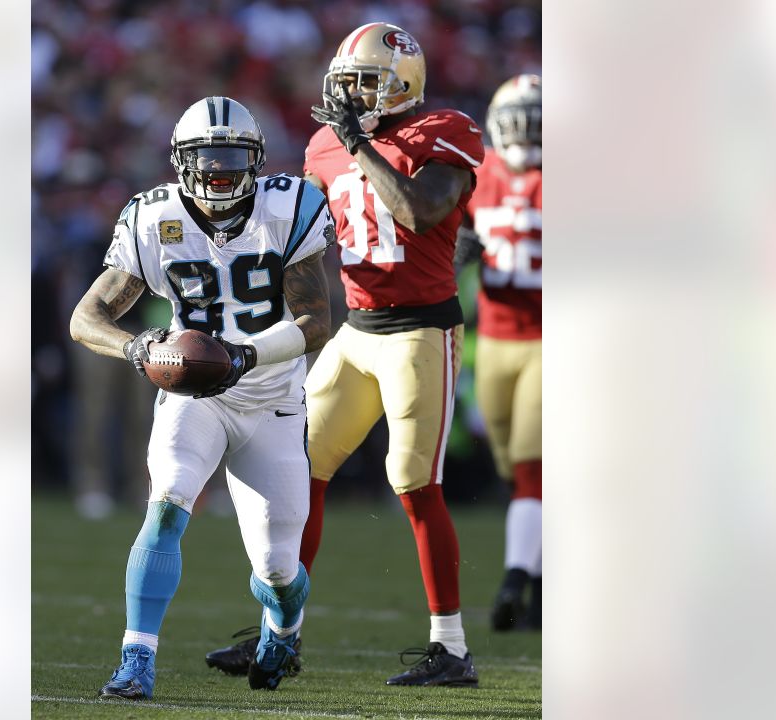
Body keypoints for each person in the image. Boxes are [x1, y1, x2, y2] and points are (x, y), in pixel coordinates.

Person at [205, 22, 484, 687]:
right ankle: (280, 633)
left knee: (414, 482)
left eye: (368, 82)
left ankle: (451, 647)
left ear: (404, 83)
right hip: (357, 333)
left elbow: (419, 212)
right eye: (347, 82)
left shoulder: (444, 129)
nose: (352, 95)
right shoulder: (324, 145)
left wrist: (360, 143)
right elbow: (298, 233)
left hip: (421, 331)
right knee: (297, 474)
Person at [69, 96, 335, 699]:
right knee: (166, 503)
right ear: (179, 161)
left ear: (257, 161)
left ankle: (282, 629)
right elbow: (86, 317)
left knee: (277, 568)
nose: (219, 170)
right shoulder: (153, 217)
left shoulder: (288, 207)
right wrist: (139, 349)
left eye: (232, 157)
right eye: (205, 157)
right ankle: (136, 659)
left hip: (271, 398)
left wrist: (245, 355)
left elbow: (318, 319)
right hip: (197, 395)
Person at [457, 74, 543, 631]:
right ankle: (538, 574)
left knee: (535, 467)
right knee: (513, 467)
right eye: (517, 120)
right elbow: (454, 239)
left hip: (548, 340)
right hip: (492, 339)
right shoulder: (476, 178)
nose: (524, 132)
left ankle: (517, 578)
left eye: (534, 120)